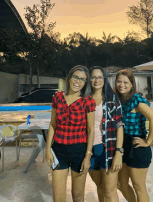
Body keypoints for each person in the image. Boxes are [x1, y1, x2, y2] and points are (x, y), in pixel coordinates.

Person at [45, 65, 96, 202]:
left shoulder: (88, 101)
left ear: (86, 83)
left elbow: (91, 131)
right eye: (75, 77)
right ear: (69, 78)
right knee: (58, 197)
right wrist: (48, 149)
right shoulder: (58, 97)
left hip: (79, 152)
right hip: (59, 151)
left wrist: (88, 156)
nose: (78, 81)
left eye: (82, 79)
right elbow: (52, 124)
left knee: (78, 196)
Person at [115, 69, 153, 202]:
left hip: (136, 145)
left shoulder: (136, 100)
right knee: (121, 184)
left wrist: (148, 141)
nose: (122, 85)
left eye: (125, 82)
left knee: (139, 186)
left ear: (132, 84)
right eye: (119, 81)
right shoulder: (118, 100)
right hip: (122, 145)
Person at [88, 66, 124, 202]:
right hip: (89, 150)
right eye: (93, 77)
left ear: (104, 79)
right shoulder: (85, 99)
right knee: (100, 186)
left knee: (110, 191)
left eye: (99, 77)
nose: (96, 80)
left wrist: (118, 152)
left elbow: (120, 126)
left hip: (107, 149)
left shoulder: (112, 100)